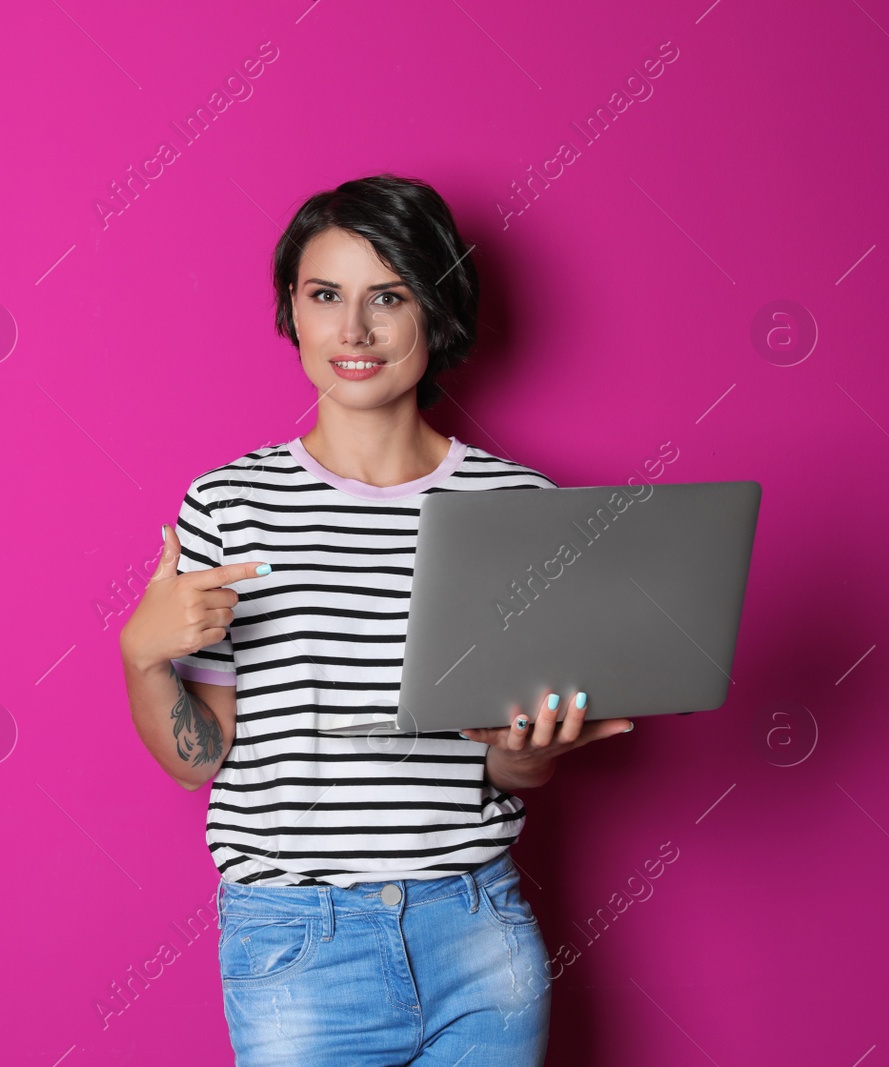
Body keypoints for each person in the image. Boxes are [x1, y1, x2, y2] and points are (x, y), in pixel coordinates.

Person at [118, 174, 634, 1066]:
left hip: (478, 928)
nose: (352, 331)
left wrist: (529, 751)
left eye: (387, 297)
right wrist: (142, 658)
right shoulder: (229, 505)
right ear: (294, 309)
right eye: (326, 296)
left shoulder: (518, 505)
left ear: (436, 309)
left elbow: (510, 772)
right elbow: (196, 761)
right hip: (297, 938)